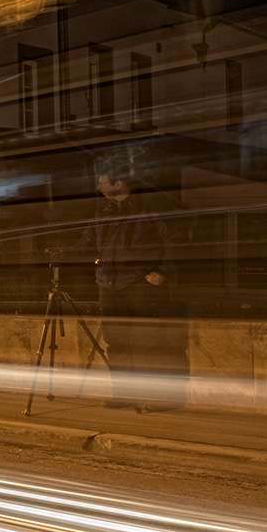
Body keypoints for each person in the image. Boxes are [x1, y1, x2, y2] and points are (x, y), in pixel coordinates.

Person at [73, 163, 182, 407]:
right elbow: (87, 242)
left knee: (152, 341)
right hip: (110, 284)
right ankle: (126, 392)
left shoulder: (151, 209)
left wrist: (163, 271)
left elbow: (174, 241)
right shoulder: (103, 212)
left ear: (118, 184)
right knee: (117, 341)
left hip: (141, 283)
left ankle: (164, 396)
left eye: (102, 182)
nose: (99, 187)